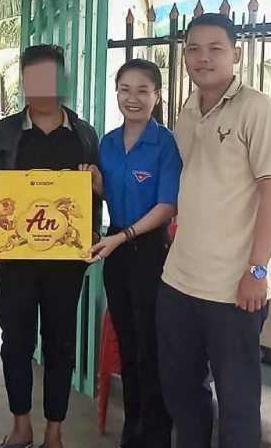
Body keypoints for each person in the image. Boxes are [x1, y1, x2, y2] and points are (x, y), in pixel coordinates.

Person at [157, 13, 271, 448]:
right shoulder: (187, 113)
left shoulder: (258, 110)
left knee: (238, 403)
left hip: (234, 289)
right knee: (183, 395)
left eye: (215, 48)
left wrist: (257, 269)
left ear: (235, 53)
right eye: (193, 48)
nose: (203, 57)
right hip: (178, 282)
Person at [0, 44, 103, 448]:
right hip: (14, 261)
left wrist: (92, 218)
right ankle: (21, 425)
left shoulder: (83, 135)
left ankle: (54, 431)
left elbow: (93, 198)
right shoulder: (3, 133)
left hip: (64, 264)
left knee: (60, 342)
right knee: (15, 341)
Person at [86, 59, 182, 448]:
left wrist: (125, 235)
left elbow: (167, 204)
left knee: (150, 348)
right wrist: (96, 188)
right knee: (127, 344)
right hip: (117, 252)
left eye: (143, 91)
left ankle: (154, 435)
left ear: (157, 96)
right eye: (125, 90)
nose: (133, 98)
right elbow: (119, 194)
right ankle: (133, 432)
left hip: (150, 253)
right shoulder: (107, 142)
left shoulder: (167, 143)